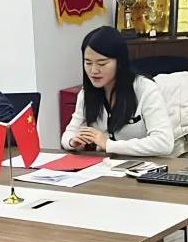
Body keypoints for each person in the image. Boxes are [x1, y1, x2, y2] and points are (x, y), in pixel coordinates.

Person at [61, 25, 174, 156]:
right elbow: (68, 134)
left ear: (119, 62)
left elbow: (164, 143)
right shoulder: (86, 93)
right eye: (88, 63)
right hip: (107, 165)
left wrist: (109, 145)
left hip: (147, 164)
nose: (93, 70)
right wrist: (72, 141)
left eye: (102, 63)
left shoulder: (145, 89)